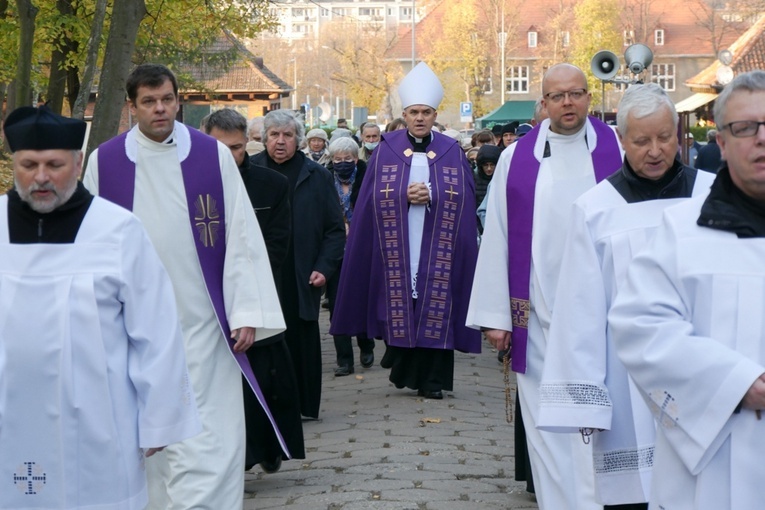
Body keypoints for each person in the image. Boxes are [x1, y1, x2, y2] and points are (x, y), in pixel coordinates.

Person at [83, 63, 286, 509]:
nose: (161, 109)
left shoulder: (209, 155)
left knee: (212, 433)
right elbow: (90, 247)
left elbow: (240, 236)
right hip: (135, 326)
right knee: (147, 434)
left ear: (179, 100)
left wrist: (248, 311)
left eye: (168, 99)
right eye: (150, 102)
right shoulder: (106, 162)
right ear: (132, 106)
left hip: (205, 321)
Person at [0, 105, 201, 509]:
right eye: (29, 164)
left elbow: (156, 330)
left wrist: (158, 417)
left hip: (97, 418)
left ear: (77, 163)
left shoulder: (117, 230)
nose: (41, 177)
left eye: (54, 164)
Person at [536, 83, 715, 509]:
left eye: (664, 138)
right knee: (634, 493)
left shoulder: (714, 196)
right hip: (625, 381)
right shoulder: (596, 209)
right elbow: (579, 311)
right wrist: (585, 401)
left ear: (679, 135)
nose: (655, 150)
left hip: (705, 372)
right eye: (641, 141)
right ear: (621, 139)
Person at [467, 63, 623, 510]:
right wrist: (497, 317)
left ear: (589, 98)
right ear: (544, 103)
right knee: (547, 425)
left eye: (576, 94)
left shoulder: (616, 146)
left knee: (604, 424)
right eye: (558, 96)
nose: (568, 103)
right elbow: (497, 232)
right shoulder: (519, 158)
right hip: (539, 316)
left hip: (607, 317)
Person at [609, 70, 765, 510]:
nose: (760, 139)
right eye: (744, 128)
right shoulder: (680, 232)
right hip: (711, 469)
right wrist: (737, 383)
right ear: (721, 143)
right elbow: (640, 326)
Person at [331, 62, 481, 400]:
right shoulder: (386, 149)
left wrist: (434, 195)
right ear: (405, 112)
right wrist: (402, 195)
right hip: (398, 247)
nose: (419, 118)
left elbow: (466, 198)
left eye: (426, 112)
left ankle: (432, 381)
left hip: (436, 246)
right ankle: (404, 366)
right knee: (403, 306)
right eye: (414, 112)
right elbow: (369, 198)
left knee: (436, 307)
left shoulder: (451, 151)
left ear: (434, 114)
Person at [202, 108, 305, 474]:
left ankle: (267, 446)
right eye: (219, 148)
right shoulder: (191, 185)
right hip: (204, 299)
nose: (229, 157)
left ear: (247, 143)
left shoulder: (271, 185)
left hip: (257, 294)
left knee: (265, 379)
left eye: (236, 148)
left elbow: (277, 245)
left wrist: (245, 287)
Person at [252, 109, 346, 419]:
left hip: (302, 272)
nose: (280, 142)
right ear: (265, 139)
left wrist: (324, 266)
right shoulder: (249, 172)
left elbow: (334, 229)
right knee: (264, 339)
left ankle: (303, 405)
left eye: (287, 135)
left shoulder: (315, 175)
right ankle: (267, 405)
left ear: (299, 140)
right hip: (261, 271)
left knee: (301, 339)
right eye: (274, 135)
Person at [324, 136, 375, 376]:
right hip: (333, 250)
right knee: (336, 305)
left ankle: (366, 344)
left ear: (356, 158)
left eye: (347, 158)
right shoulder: (323, 179)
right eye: (338, 159)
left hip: (361, 247)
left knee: (361, 300)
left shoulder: (368, 179)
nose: (342, 162)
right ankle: (344, 359)